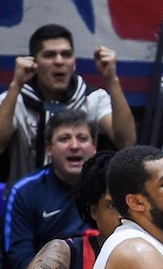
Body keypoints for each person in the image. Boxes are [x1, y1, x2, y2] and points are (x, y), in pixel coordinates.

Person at [0, 24, 136, 190]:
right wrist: (16, 85)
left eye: (66, 54)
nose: (59, 61)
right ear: (34, 63)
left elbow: (126, 141)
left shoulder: (92, 98)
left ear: (74, 63)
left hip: (80, 200)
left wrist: (112, 80)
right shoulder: (15, 99)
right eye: (49, 55)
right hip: (26, 202)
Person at [2, 110, 98, 269]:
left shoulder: (110, 190)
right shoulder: (25, 191)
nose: (74, 145)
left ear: (94, 147)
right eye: (64, 139)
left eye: (82, 138)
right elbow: (19, 257)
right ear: (49, 149)